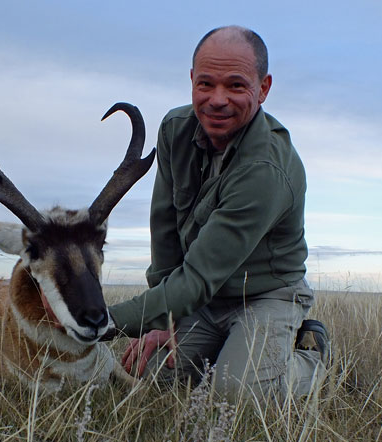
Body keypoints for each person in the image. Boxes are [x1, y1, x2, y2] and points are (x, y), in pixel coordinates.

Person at [106, 26, 330, 401]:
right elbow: (164, 229)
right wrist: (166, 322)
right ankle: (228, 349)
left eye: (236, 86)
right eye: (206, 84)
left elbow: (197, 277)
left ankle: (312, 356)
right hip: (206, 301)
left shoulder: (266, 169)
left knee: (236, 394)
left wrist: (104, 322)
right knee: (153, 374)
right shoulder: (175, 129)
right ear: (192, 80)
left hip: (264, 296)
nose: (217, 100)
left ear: (263, 88)